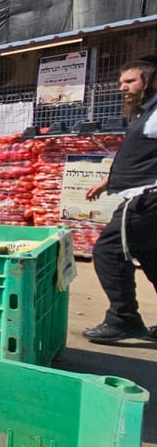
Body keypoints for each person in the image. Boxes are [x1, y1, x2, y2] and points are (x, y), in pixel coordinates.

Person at [82, 58, 157, 343]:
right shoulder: (143, 115)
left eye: (130, 81)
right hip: (144, 198)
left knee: (109, 252)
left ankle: (123, 319)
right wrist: (108, 182)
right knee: (152, 258)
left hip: (146, 201)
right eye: (121, 82)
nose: (122, 87)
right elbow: (139, 155)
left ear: (151, 81)